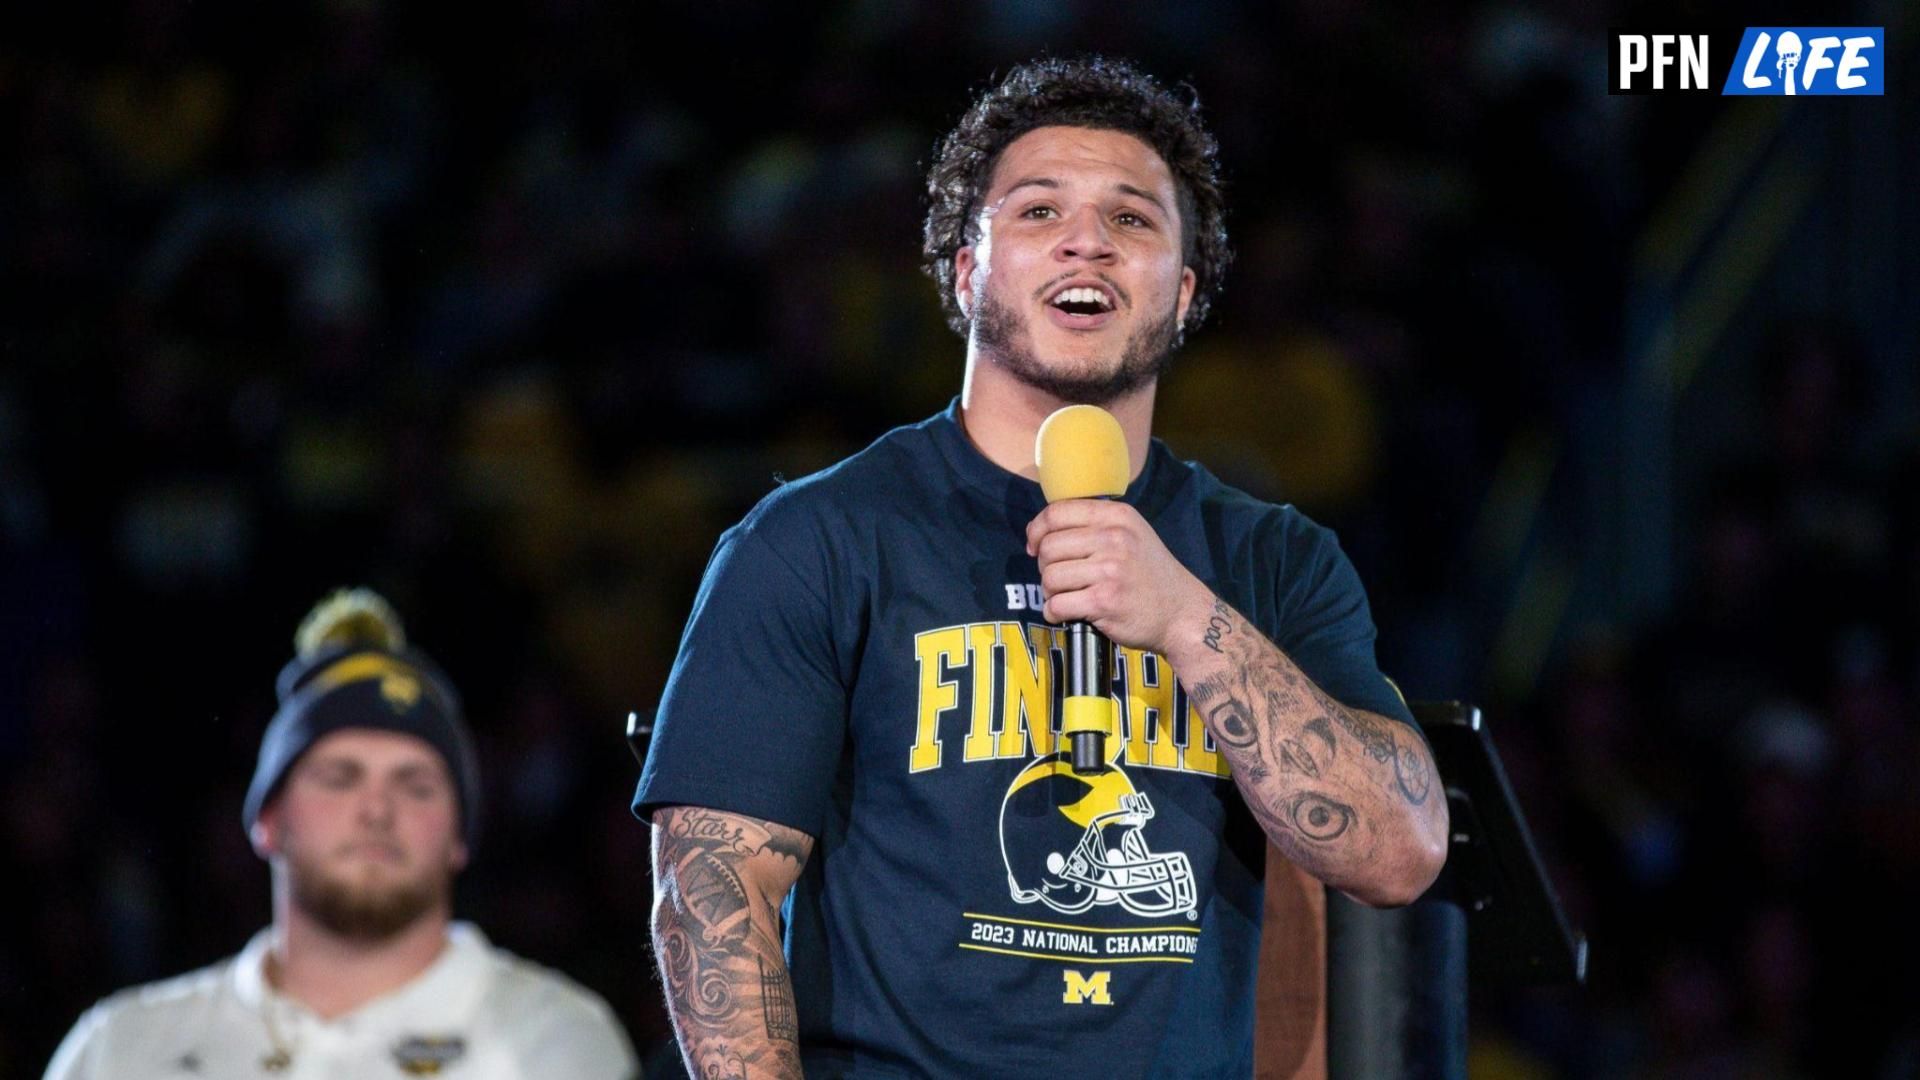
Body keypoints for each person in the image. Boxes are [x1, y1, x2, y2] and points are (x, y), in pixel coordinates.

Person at [634, 56, 1448, 1078]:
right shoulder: (819, 540)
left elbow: (1401, 852)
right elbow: (713, 892)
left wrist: (1189, 619)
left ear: (1185, 292)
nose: (1087, 240)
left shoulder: (1272, 560)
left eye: (1135, 220)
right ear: (968, 271)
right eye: (1037, 210)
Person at [47, 588, 639, 1079]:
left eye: (416, 785)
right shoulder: (120, 1050)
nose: (377, 808)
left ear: (460, 835)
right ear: (268, 821)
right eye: (339, 777)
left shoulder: (558, 1044)